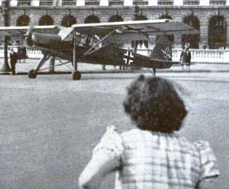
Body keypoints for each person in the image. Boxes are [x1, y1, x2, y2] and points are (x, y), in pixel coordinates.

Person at [79, 75, 219, 189]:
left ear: (135, 108)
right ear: (178, 110)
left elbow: (87, 180)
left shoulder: (121, 143)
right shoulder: (197, 153)